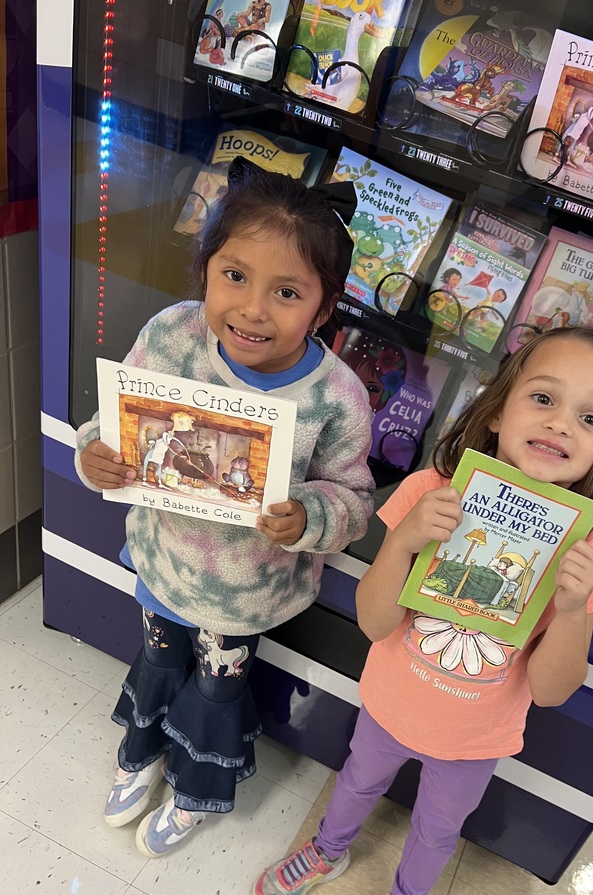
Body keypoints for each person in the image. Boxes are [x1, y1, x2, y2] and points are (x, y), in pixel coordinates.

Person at [252, 326, 593, 895]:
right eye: (543, 398)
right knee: (355, 781)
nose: (560, 425)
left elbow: (552, 691)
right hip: (390, 705)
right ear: (498, 410)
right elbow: (375, 623)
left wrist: (576, 608)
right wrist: (404, 539)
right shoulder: (432, 492)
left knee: (438, 830)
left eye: (590, 419)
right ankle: (326, 849)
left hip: (476, 740)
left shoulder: (591, 558)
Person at [74, 158, 375, 857]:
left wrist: (310, 516)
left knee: (215, 691)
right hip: (161, 564)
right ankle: (141, 749)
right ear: (205, 270)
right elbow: (115, 425)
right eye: (234, 276)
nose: (252, 309)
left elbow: (354, 501)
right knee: (155, 662)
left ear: (324, 309)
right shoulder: (172, 335)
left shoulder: (335, 397)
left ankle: (196, 787)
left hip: (245, 596)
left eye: (288, 292)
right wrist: (97, 453)